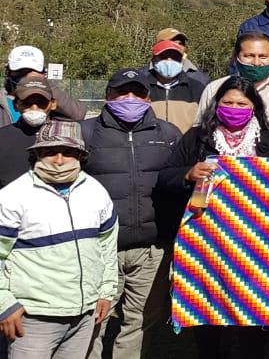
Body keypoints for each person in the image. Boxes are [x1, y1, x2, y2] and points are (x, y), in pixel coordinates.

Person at [159, 77, 269, 359]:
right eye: (227, 102)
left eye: (242, 104)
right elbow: (165, 178)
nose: (234, 108)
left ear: (253, 107)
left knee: (255, 307)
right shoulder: (197, 138)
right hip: (208, 239)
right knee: (209, 302)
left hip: (258, 241)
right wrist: (187, 174)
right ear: (216, 105)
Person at [82, 68, 183, 359]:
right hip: (100, 250)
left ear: (147, 98)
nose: (130, 98)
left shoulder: (168, 134)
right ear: (107, 96)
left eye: (137, 93)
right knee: (93, 320)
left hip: (151, 250)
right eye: (122, 92)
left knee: (140, 321)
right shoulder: (86, 132)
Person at [0, 121, 116, 359]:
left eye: (69, 152)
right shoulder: (12, 197)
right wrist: (5, 304)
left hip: (85, 315)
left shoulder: (96, 191)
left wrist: (106, 291)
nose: (60, 160)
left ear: (81, 155)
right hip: (34, 318)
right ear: (37, 154)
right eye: (50, 151)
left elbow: (107, 244)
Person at [197, 32, 269, 125]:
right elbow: (199, 128)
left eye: (263, 57)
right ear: (235, 57)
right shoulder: (214, 89)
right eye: (249, 56)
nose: (256, 63)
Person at [0, 78, 64, 187]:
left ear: (53, 104)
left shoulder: (67, 137)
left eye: (41, 102)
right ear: (16, 105)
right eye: (27, 103)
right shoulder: (2, 137)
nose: (34, 108)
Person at [3, 46, 86, 128]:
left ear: (43, 73)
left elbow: (78, 114)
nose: (26, 77)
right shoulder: (3, 100)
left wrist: (42, 85)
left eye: (33, 71)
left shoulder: (47, 98)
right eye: (20, 72)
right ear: (9, 72)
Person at [146, 39, 208, 133]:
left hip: (186, 146)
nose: (169, 61)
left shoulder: (198, 88)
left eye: (175, 57)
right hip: (152, 145)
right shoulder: (142, 87)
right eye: (164, 57)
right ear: (154, 59)